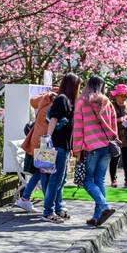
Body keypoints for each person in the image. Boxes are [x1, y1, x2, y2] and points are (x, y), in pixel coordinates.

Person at [72, 76, 118, 226]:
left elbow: (78, 127)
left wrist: (77, 149)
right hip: (107, 146)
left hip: (91, 147)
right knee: (100, 180)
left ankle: (104, 206)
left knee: (87, 180)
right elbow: (113, 125)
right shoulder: (107, 102)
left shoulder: (82, 102)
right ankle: (97, 217)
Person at [40, 73, 81, 224]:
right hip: (57, 145)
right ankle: (48, 211)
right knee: (56, 179)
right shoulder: (62, 99)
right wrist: (48, 141)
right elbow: (53, 119)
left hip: (63, 145)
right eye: (77, 85)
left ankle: (58, 208)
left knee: (61, 179)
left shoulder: (67, 100)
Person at [15, 87, 57, 212]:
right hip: (43, 143)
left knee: (40, 172)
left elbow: (33, 100)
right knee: (43, 172)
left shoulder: (43, 104)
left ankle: (25, 199)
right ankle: (47, 206)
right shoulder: (50, 108)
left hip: (37, 141)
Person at [108, 84, 127, 188]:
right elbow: (107, 121)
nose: (123, 98)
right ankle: (113, 179)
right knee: (114, 158)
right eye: (121, 95)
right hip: (115, 136)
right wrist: (120, 119)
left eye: (125, 95)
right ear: (116, 96)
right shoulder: (111, 105)